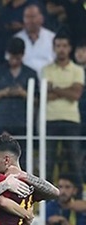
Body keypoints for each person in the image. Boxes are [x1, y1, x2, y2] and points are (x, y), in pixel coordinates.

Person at [43, 32, 84, 186]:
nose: (61, 49)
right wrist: (67, 90)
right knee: (49, 162)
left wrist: (54, 88)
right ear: (54, 48)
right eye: (58, 46)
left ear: (70, 48)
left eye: (64, 46)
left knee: (74, 160)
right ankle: (44, 197)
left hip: (71, 119)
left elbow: (76, 94)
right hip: (50, 119)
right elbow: (45, 96)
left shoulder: (77, 70)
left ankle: (79, 194)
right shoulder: (46, 70)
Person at [0, 37, 38, 139]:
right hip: (2, 122)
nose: (13, 61)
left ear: (22, 55)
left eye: (17, 58)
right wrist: (2, 93)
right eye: (11, 57)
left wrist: (23, 93)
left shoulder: (31, 74)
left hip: (23, 123)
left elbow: (37, 101)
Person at [14, 3, 55, 78]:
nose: (30, 20)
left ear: (41, 18)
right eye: (27, 17)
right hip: (22, 81)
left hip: (47, 80)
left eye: (33, 17)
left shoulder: (52, 38)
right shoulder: (16, 39)